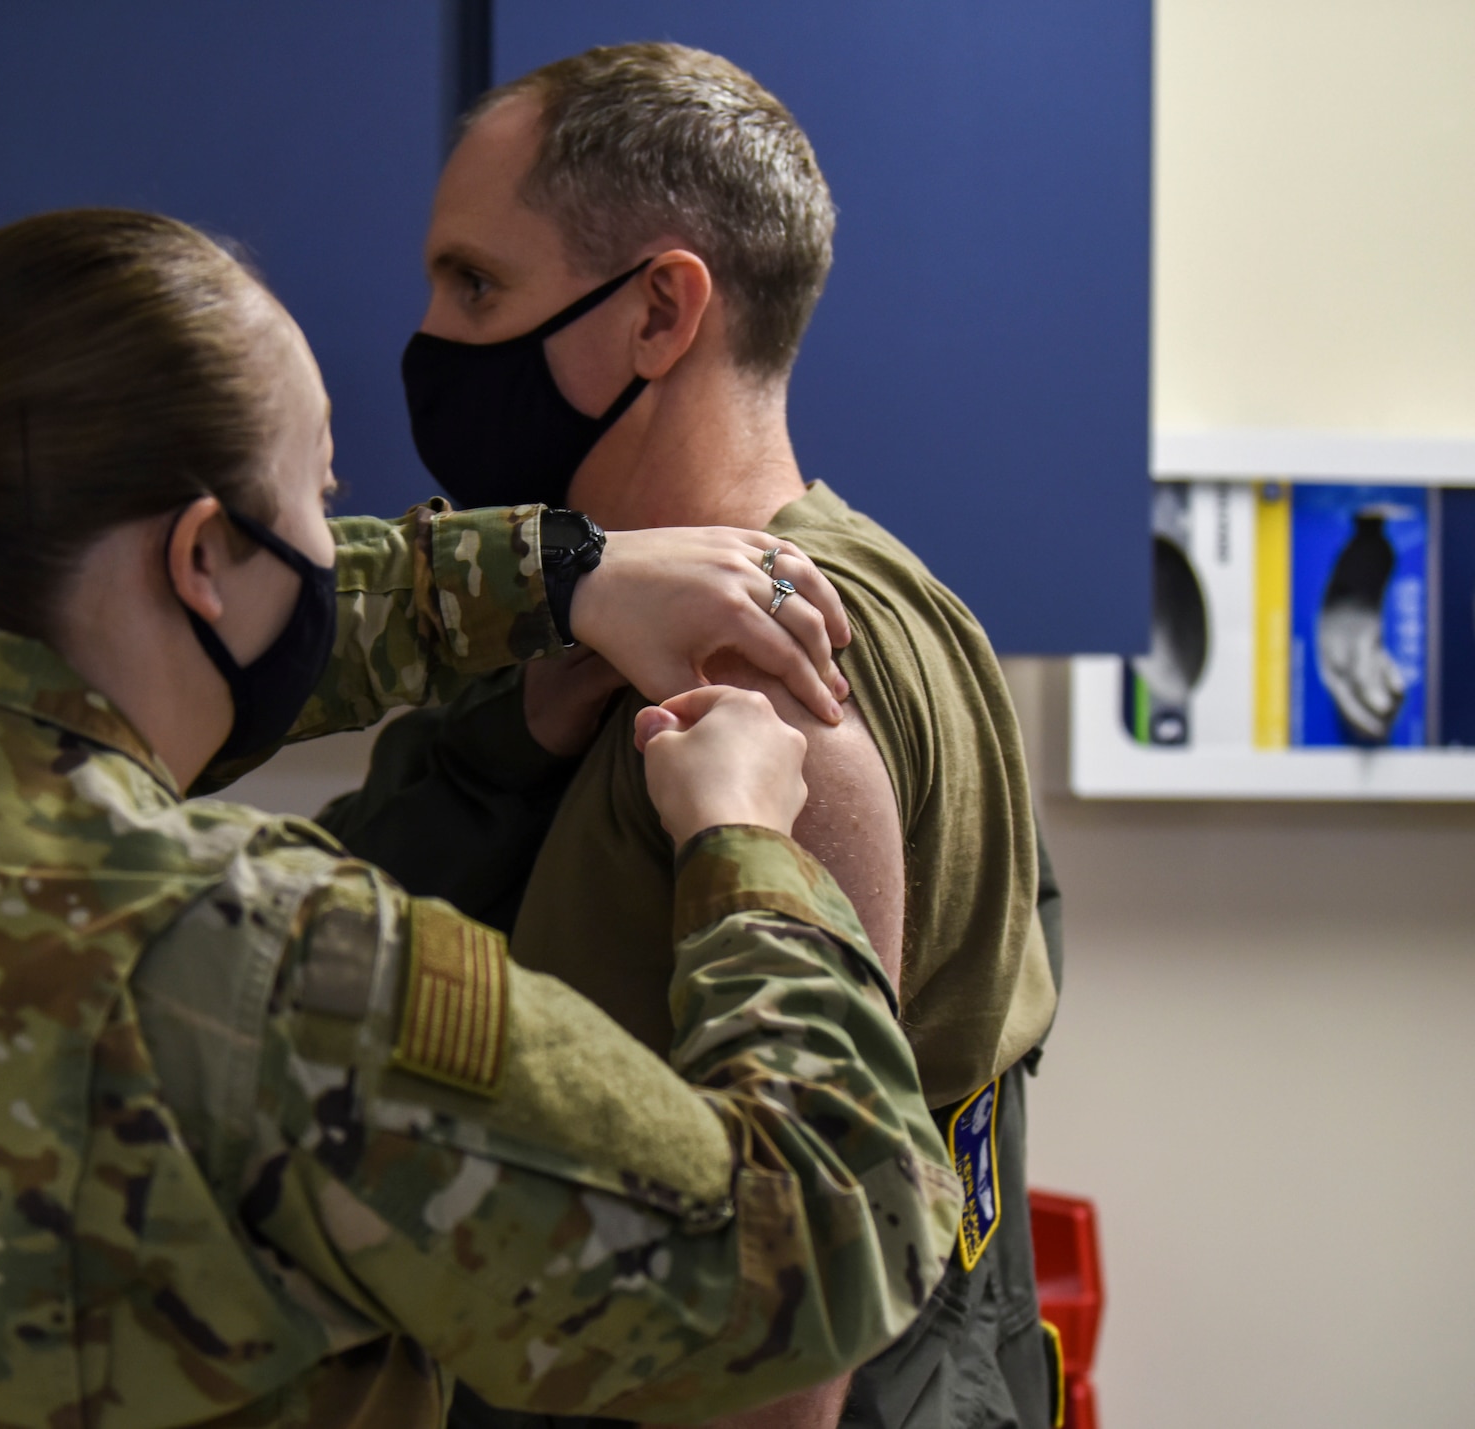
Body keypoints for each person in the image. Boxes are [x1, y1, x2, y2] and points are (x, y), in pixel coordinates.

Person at [0, 208, 964, 1429]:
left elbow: (182, 639)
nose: (335, 542)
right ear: (206, 554)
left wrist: (573, 576)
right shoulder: (266, 962)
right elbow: (819, 1253)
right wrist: (750, 852)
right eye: (320, 498)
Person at [320, 44, 1065, 1429]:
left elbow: (780, 1374)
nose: (427, 336)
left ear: (662, 311)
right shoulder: (595, 640)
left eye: (477, 284)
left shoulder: (773, 674)